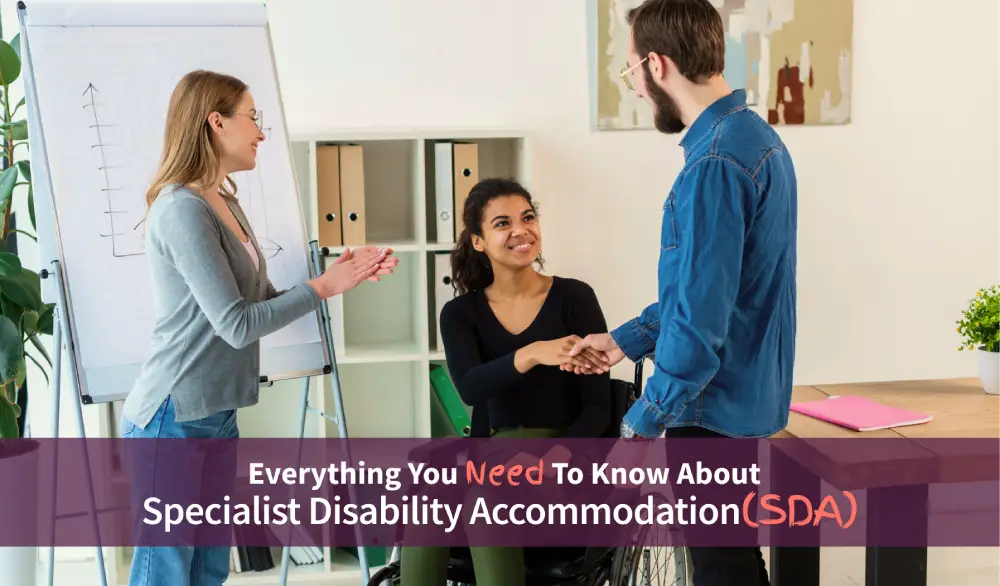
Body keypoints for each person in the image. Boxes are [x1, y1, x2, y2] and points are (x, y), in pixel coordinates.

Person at [117, 69, 398, 586]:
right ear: (215, 122)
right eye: (253, 118)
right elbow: (236, 325)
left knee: (207, 572)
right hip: (170, 419)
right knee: (166, 574)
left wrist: (341, 276)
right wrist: (324, 288)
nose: (261, 133)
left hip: (215, 412)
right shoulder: (181, 210)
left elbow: (260, 301)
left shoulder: (225, 201)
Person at [566, 1, 797, 585]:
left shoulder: (715, 163)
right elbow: (711, 293)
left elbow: (697, 329)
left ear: (656, 64)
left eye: (630, 74)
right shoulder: (753, 140)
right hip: (739, 397)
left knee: (724, 568)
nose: (636, 90)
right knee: (731, 558)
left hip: (708, 408)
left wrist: (640, 426)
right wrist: (624, 339)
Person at [399, 177, 612, 586]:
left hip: (561, 462)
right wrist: (531, 353)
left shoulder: (574, 298)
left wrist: (554, 457)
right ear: (478, 241)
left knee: (486, 497)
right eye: (502, 223)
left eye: (528, 217)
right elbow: (471, 388)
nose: (521, 230)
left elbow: (598, 406)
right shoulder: (461, 314)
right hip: (491, 456)